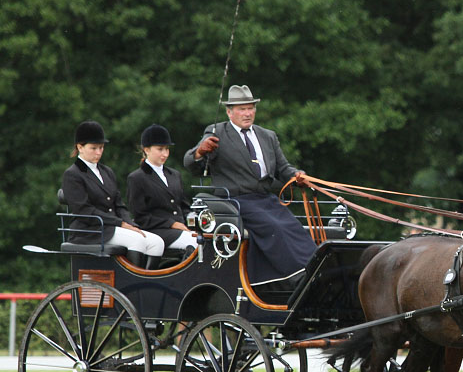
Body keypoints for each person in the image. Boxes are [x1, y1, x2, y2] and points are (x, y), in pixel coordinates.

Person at [183, 85, 315, 289]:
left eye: (250, 108)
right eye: (241, 109)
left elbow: (284, 168)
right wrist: (200, 151)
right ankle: (296, 275)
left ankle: (313, 268)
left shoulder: (267, 136)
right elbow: (190, 162)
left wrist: (299, 176)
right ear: (229, 112)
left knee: (294, 226)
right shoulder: (217, 131)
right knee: (275, 227)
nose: (247, 113)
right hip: (236, 200)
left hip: (265, 199)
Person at [61, 120, 164, 269]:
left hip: (111, 227)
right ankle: (132, 286)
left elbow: (119, 205)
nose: (98, 152)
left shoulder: (107, 172)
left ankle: (146, 284)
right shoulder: (72, 174)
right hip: (90, 230)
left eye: (101, 148)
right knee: (138, 241)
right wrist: (120, 223)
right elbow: (84, 211)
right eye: (93, 148)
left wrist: (130, 224)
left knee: (157, 242)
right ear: (80, 147)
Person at [126, 124, 197, 261]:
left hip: (181, 228)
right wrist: (172, 224)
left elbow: (184, 206)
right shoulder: (137, 178)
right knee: (195, 242)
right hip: (157, 231)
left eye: (167, 149)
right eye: (160, 149)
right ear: (146, 149)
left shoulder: (174, 175)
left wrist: (194, 223)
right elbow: (141, 217)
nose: (165, 154)